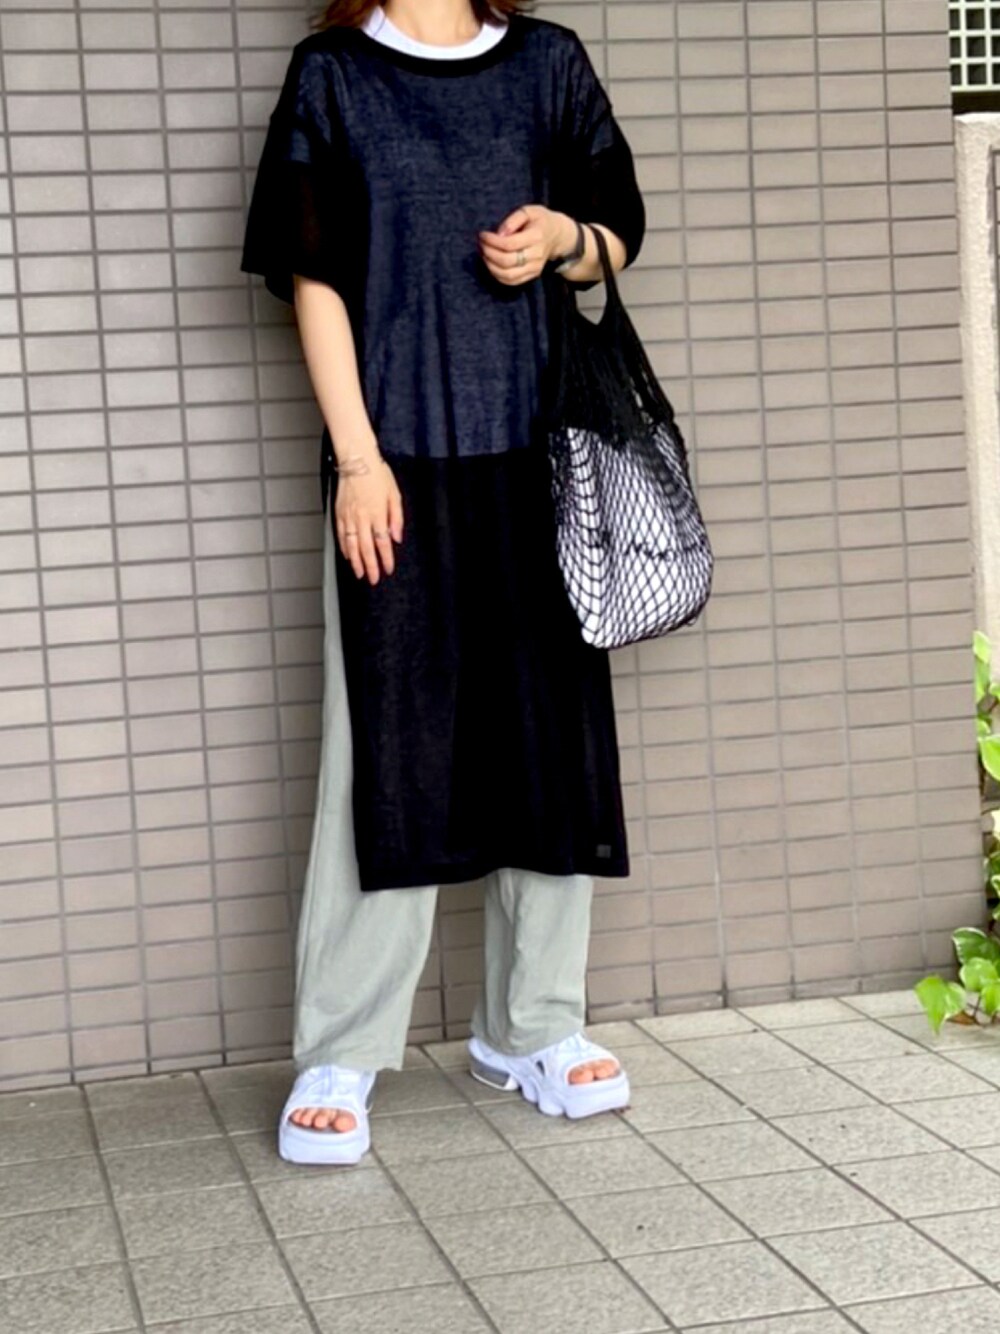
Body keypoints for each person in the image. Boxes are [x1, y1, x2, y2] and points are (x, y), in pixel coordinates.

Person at [240, 0, 646, 1165]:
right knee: (387, 747)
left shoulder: (547, 63)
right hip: (397, 463)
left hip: (539, 457)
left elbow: (615, 229)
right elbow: (312, 276)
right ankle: (343, 1046)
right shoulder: (332, 77)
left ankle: (533, 1027)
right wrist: (356, 459)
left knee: (549, 740)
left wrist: (563, 238)